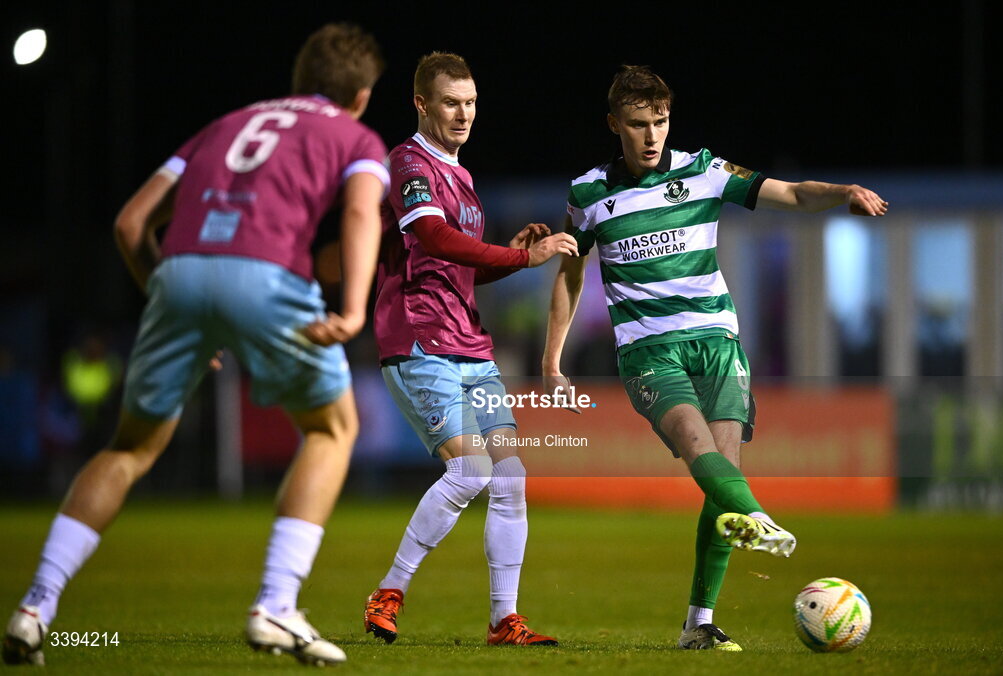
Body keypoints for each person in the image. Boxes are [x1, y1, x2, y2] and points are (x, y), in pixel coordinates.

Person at [3, 23, 389, 667]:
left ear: (300, 81)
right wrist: (352, 309)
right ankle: (276, 604)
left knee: (128, 447)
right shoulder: (355, 135)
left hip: (179, 270)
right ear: (361, 95)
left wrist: (177, 302)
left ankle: (35, 606)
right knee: (331, 429)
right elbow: (358, 213)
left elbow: (131, 223)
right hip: (268, 271)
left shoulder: (225, 123)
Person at [542, 65, 888, 651]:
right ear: (613, 125)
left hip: (718, 344)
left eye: (660, 122)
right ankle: (761, 520)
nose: (651, 136)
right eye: (637, 125)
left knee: (721, 486)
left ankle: (698, 624)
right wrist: (553, 361)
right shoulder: (588, 194)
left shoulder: (705, 170)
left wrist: (843, 192)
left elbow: (791, 192)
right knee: (697, 447)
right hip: (648, 351)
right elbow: (570, 277)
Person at [363, 52, 576, 647]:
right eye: (451, 102)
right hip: (419, 336)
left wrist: (508, 254)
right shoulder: (408, 162)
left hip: (468, 343)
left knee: (509, 478)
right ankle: (389, 591)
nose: (463, 114)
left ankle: (504, 620)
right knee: (471, 469)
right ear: (422, 104)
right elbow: (431, 236)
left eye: (471, 103)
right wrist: (521, 258)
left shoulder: (462, 175)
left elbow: (456, 265)